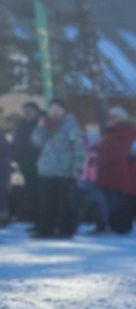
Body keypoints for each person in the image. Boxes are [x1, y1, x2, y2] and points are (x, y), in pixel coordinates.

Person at [31, 99, 84, 239]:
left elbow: (78, 147)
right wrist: (40, 127)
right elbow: (36, 142)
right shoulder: (45, 123)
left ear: (63, 110)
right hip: (47, 169)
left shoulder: (70, 124)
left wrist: (77, 167)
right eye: (52, 108)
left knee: (65, 202)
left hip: (65, 170)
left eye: (57, 108)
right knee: (47, 202)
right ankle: (45, 229)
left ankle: (66, 230)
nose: (54, 111)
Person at [95, 106, 136, 233]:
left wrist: (103, 158)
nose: (112, 119)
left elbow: (119, 151)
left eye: (114, 117)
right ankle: (113, 224)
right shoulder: (109, 132)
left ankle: (120, 225)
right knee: (109, 199)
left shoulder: (125, 131)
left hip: (116, 170)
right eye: (111, 116)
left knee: (117, 200)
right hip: (106, 170)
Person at [12, 101, 42, 222]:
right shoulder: (22, 124)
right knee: (29, 189)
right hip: (24, 162)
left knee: (40, 189)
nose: (27, 114)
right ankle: (30, 214)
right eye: (25, 111)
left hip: (39, 162)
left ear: (36, 111)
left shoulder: (41, 124)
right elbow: (17, 141)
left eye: (29, 111)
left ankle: (40, 214)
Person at [75, 124, 108, 234]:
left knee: (95, 202)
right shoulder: (88, 146)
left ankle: (101, 224)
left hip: (92, 179)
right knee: (89, 202)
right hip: (86, 178)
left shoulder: (96, 149)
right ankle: (100, 224)